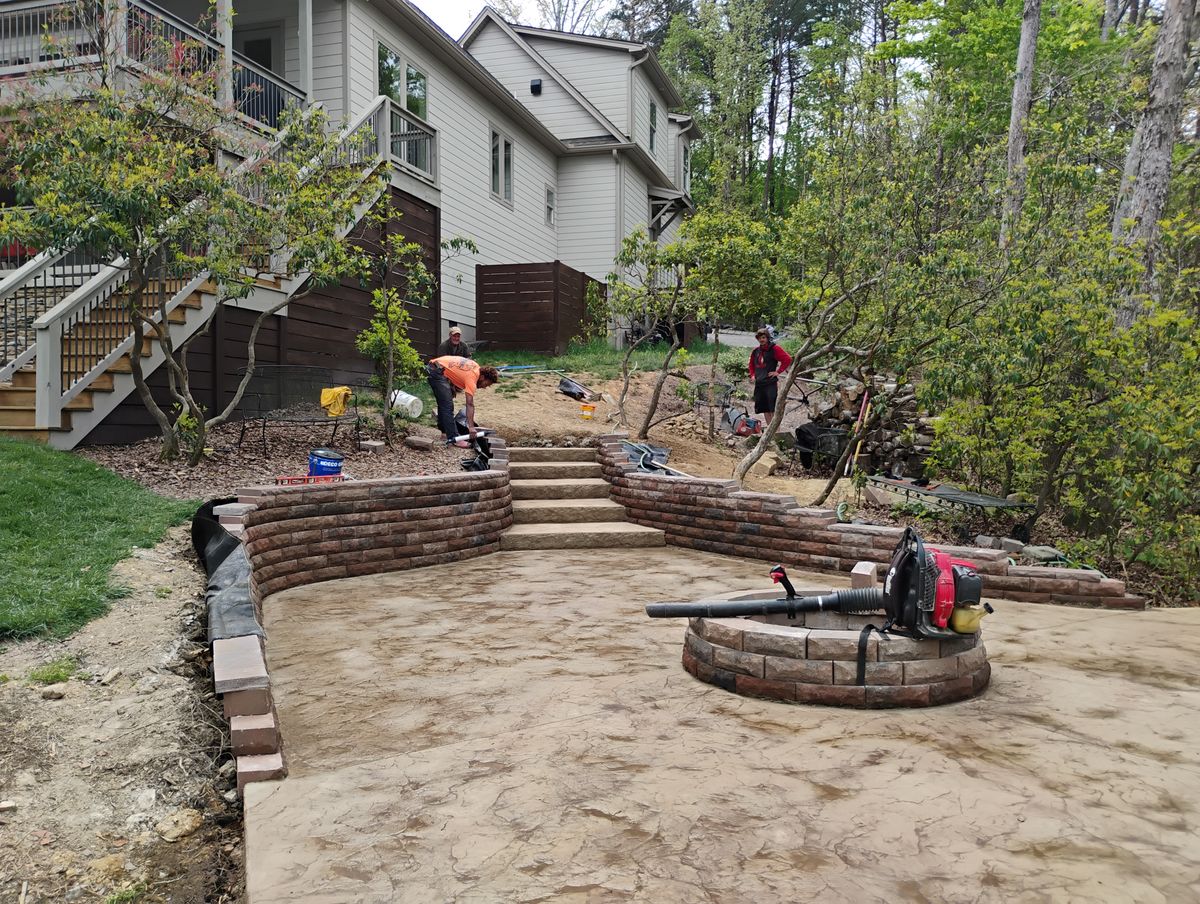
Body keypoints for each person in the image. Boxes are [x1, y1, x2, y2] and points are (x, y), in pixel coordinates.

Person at [426, 355, 499, 445]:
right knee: (447, 406)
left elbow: (456, 369)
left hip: (437, 367)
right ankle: (455, 438)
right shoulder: (472, 378)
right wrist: (471, 427)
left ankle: (444, 433)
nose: (484, 387)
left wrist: (451, 384)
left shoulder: (476, 367)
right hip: (436, 370)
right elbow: (469, 404)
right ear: (483, 377)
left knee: (444, 403)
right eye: (486, 384)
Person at [748, 328, 792, 422]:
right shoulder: (756, 351)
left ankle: (776, 432)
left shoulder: (775, 349)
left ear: (767, 338)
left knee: (772, 408)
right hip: (760, 383)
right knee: (764, 408)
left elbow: (787, 359)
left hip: (770, 383)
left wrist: (778, 371)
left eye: (763, 337)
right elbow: (751, 364)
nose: (761, 340)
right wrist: (752, 375)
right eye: (759, 338)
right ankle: (769, 431)